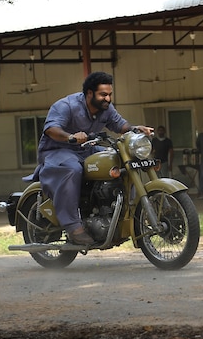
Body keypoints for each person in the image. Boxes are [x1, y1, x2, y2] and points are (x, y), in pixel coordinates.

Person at [37, 71, 152, 245]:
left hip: (85, 149)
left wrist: (136, 128)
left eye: (110, 94)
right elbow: (51, 129)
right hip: (57, 150)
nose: (108, 98)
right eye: (103, 94)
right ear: (89, 93)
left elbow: (120, 125)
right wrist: (70, 137)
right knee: (72, 169)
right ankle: (73, 226)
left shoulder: (105, 109)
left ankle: (120, 213)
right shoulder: (66, 106)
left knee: (119, 159)